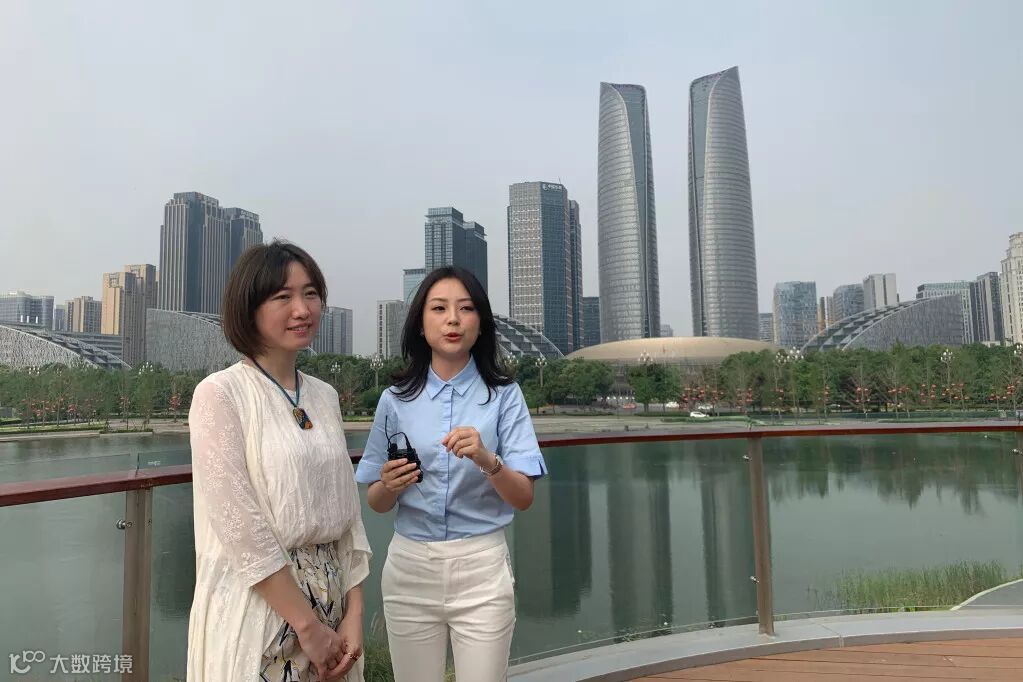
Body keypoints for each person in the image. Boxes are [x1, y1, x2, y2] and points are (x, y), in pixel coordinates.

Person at [187, 240, 371, 681]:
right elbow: (239, 524)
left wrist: (354, 613)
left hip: (333, 609)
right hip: (263, 610)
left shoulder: (324, 396)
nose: (302, 309)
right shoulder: (220, 394)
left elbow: (349, 515)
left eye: (311, 294)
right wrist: (306, 626)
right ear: (249, 308)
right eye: (283, 297)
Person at [355, 266, 547, 682]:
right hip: (410, 567)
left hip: (481, 567)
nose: (453, 320)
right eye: (439, 308)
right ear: (421, 324)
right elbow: (376, 501)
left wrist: (487, 459)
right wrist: (389, 484)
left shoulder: (504, 396)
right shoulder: (394, 400)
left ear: (481, 323)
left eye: (466, 308)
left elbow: (523, 497)